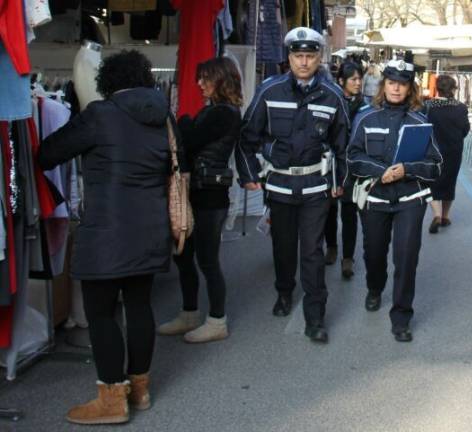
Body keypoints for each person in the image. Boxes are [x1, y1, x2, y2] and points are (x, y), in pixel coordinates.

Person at [39, 50, 171, 425]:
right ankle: (140, 388)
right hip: (151, 227)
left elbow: (48, 154)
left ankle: (113, 398)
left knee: (100, 311)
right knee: (139, 305)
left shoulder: (100, 115)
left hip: (108, 230)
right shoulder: (164, 116)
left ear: (107, 81)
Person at [237, 27, 349, 343]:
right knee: (283, 246)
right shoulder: (269, 91)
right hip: (281, 186)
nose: (303, 62)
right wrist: (249, 176)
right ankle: (284, 292)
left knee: (312, 252)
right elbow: (247, 137)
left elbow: (343, 145)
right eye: (297, 55)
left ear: (319, 57)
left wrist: (339, 182)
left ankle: (316, 317)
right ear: (288, 57)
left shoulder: (333, 96)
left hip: (316, 187)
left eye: (310, 55)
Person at [347, 52, 443, 342]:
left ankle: (401, 316)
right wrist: (381, 172)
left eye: (402, 83)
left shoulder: (420, 121)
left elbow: (437, 164)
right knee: (374, 253)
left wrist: (407, 169)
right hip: (375, 199)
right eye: (391, 82)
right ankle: (375, 288)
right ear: (383, 85)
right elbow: (352, 158)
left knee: (406, 257)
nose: (396, 88)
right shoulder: (365, 117)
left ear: (410, 87)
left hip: (410, 201)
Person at [156, 57, 243, 343]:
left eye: (206, 78)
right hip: (198, 193)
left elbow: (188, 139)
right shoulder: (217, 111)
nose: (200, 84)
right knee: (184, 256)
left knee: (206, 259)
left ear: (221, 79)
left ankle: (217, 320)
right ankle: (190, 313)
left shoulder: (224, 113)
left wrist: (182, 121)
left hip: (209, 196)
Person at [324, 61, 365, 278]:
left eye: (360, 79)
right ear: (341, 81)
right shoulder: (330, 101)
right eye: (353, 79)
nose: (358, 83)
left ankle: (347, 257)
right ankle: (331, 246)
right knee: (329, 209)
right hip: (331, 164)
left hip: (352, 166)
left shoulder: (365, 105)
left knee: (349, 212)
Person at [424, 75, 470, 234]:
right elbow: (465, 129)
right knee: (449, 182)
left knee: (432, 182)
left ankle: (436, 214)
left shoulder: (428, 106)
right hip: (454, 150)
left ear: (437, 88)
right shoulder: (461, 108)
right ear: (453, 89)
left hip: (433, 150)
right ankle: (445, 216)